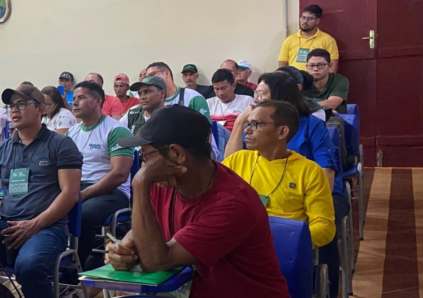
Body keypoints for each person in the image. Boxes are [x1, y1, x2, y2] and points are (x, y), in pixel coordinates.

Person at [108, 106, 290, 298]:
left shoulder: (233, 204)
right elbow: (144, 227)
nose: (144, 166)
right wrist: (126, 246)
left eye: (145, 156)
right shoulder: (162, 182)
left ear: (176, 154)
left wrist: (139, 183)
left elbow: (157, 260)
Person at [0, 85, 83, 298]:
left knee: (28, 267)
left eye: (21, 104)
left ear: (40, 109)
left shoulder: (61, 145)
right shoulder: (2, 148)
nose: (14, 110)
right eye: (11, 106)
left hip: (47, 228)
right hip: (7, 227)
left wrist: (34, 224)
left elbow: (71, 193)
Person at [228, 72, 348, 297]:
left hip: (294, 231)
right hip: (246, 246)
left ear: (282, 131)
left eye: (262, 94)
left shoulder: (309, 155)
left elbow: (325, 180)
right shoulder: (240, 160)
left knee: (324, 238)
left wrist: (290, 242)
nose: (248, 130)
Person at [223, 100, 335, 248]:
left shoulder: (309, 171)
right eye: (247, 124)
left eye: (255, 124)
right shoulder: (237, 160)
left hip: (282, 249)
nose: (247, 130)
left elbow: (324, 226)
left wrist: (286, 239)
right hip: (236, 245)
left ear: (282, 132)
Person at [66, 81, 134, 281]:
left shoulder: (117, 130)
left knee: (84, 214)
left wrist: (83, 194)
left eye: (81, 98)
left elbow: (119, 175)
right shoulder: (72, 133)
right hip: (78, 187)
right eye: (74, 99)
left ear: (97, 101)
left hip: (112, 192)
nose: (75, 103)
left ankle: (74, 272)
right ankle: (51, 262)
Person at [279, 4, 339, 73]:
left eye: (309, 18)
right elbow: (282, 64)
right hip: (294, 80)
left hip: (317, 80)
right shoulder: (289, 40)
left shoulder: (328, 40)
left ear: (317, 21)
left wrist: (327, 82)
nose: (305, 21)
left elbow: (333, 65)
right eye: (303, 18)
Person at [144, 62, 211, 119]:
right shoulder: (149, 103)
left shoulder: (194, 98)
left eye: (152, 75)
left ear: (167, 73)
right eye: (147, 77)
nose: (149, 80)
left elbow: (206, 132)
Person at [303, 49, 350, 115]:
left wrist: (304, 107)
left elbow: (332, 103)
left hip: (333, 120)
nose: (315, 69)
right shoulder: (301, 80)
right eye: (312, 65)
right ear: (306, 67)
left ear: (330, 65)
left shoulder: (340, 80)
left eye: (320, 65)